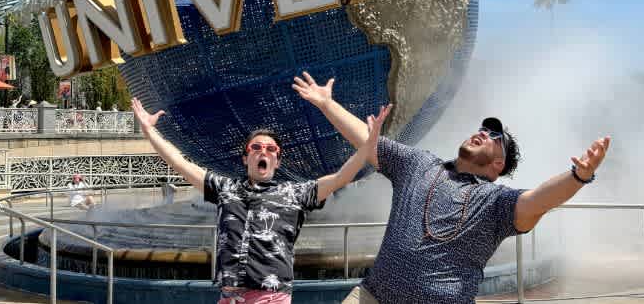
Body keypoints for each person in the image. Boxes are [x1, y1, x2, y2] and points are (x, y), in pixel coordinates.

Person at [291, 72, 612, 304]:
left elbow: (537, 201)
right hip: (372, 296)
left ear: (498, 165)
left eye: (494, 136)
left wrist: (578, 176)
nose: (483, 133)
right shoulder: (418, 165)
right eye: (482, 128)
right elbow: (368, 141)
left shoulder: (494, 202)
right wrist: (326, 104)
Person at [130, 96, 386, 304]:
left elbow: (342, 177)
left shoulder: (294, 194)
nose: (263, 151)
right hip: (229, 296)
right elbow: (179, 163)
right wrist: (149, 131)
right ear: (245, 158)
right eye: (256, 148)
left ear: (277, 160)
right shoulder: (224, 189)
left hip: (270, 297)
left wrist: (369, 142)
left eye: (271, 149)